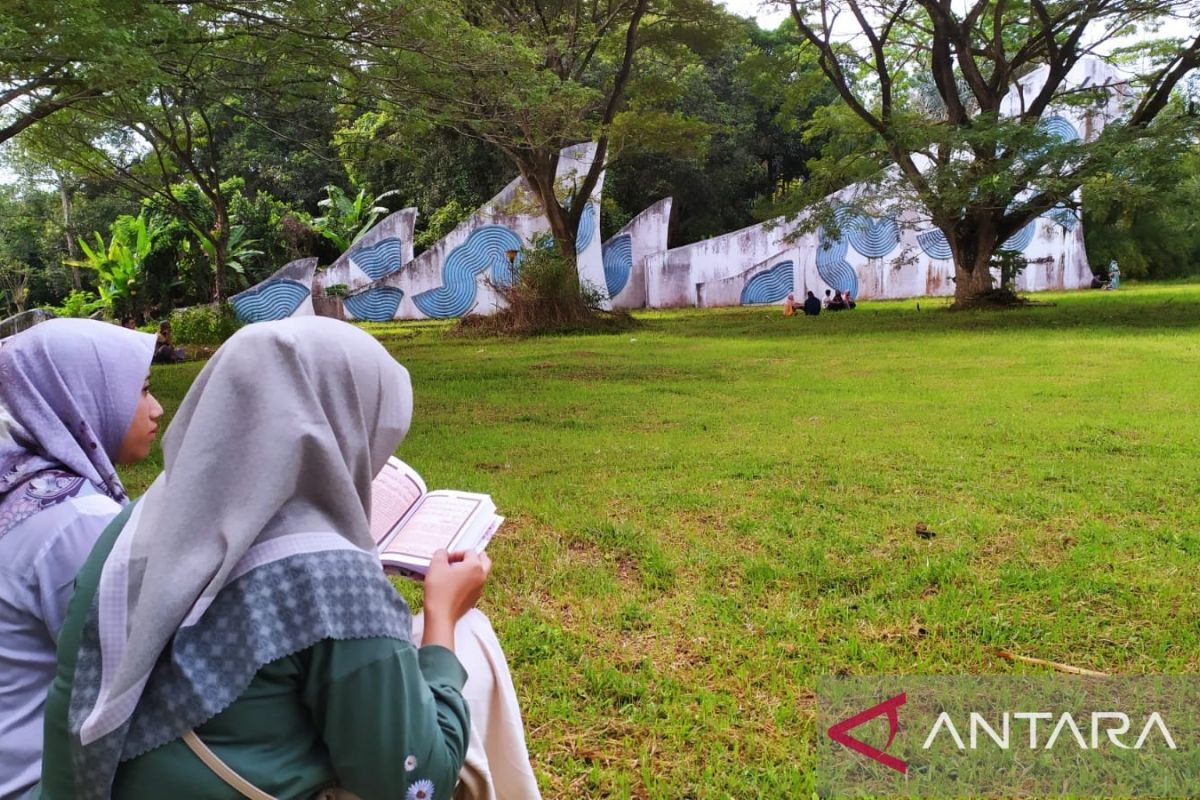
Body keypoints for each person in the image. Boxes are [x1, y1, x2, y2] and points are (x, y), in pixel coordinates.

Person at [40, 317, 541, 800]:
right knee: (470, 644)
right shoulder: (330, 579)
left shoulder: (127, 534)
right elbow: (416, 785)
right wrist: (442, 621)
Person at [0, 319, 160, 800]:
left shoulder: (20, 485)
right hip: (42, 780)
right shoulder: (77, 521)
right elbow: (145, 667)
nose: (157, 409)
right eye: (142, 391)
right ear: (82, 396)